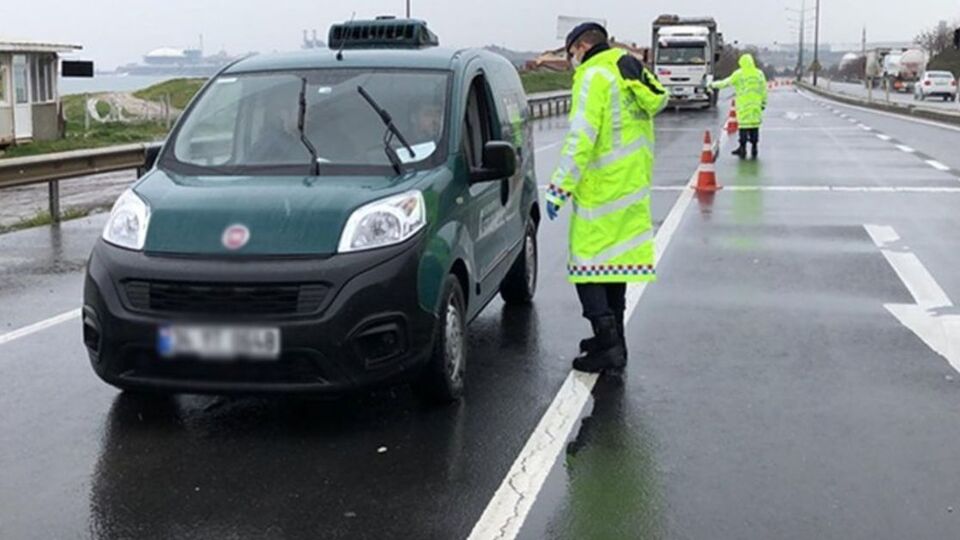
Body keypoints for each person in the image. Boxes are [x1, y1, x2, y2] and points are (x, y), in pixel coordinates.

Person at [545, 22, 668, 374]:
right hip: (631, 186)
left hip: (601, 189)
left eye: (571, 53)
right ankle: (615, 342)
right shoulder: (628, 67)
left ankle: (609, 346)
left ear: (583, 46)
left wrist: (558, 188)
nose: (571, 60)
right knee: (615, 268)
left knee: (586, 269)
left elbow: (581, 138)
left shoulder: (593, 75)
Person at [710, 54, 768, 159]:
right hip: (756, 105)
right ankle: (754, 147)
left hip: (743, 106)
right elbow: (764, 89)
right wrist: (763, 103)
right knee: (754, 127)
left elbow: (725, 83)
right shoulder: (759, 74)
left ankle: (743, 148)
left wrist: (712, 84)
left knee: (743, 128)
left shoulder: (739, 74)